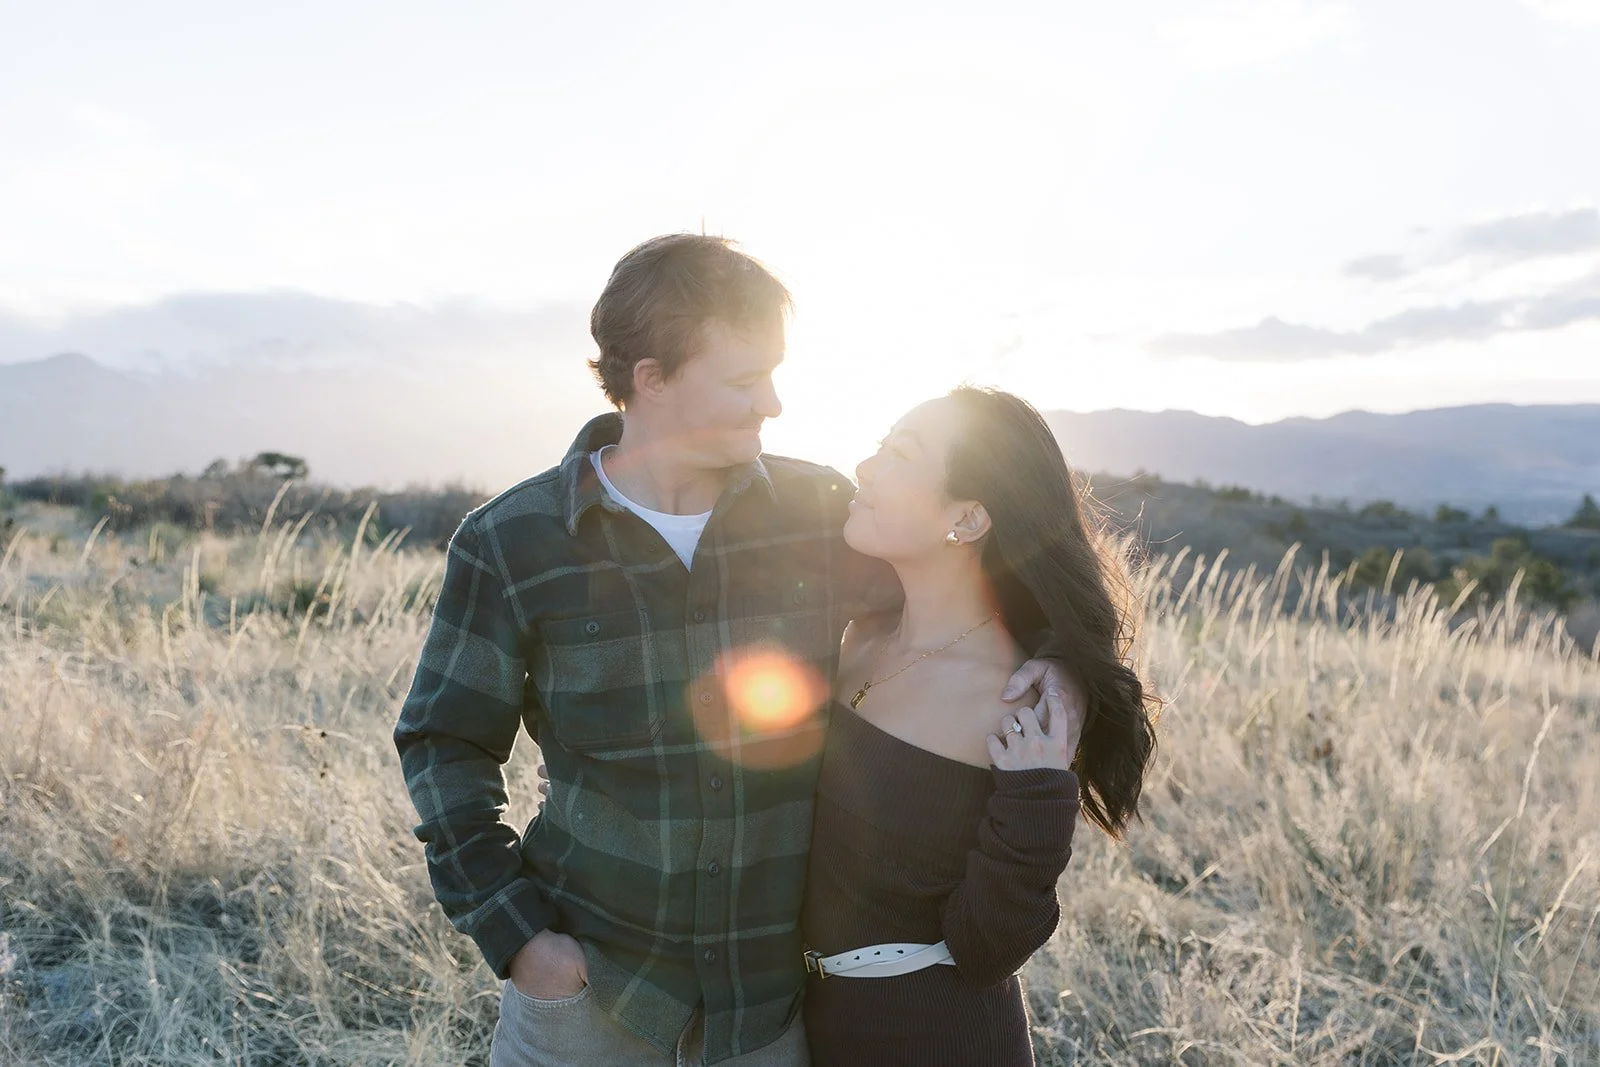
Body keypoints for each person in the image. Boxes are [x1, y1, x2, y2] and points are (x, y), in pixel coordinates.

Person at [393, 234, 1079, 1067]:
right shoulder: (513, 542)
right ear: (653, 379)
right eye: (747, 379)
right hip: (590, 997)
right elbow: (444, 745)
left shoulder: (820, 514)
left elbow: (961, 577)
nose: (776, 403)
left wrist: (1050, 659)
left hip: (767, 1016)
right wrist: (521, 939)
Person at [800, 387, 1159, 1067]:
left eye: (900, 455)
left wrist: (1039, 797)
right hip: (812, 1030)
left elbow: (988, 946)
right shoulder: (858, 637)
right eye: (879, 443)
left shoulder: (1014, 702)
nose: (866, 466)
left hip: (936, 1041)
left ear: (966, 518)